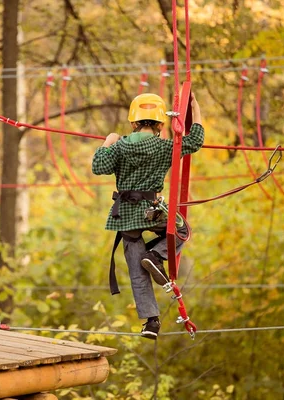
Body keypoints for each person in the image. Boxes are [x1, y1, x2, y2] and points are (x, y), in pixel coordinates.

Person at [91, 92, 204, 339]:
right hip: (152, 209)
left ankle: (151, 322)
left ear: (133, 123)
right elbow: (195, 141)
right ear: (160, 125)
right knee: (181, 230)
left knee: (135, 267)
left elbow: (98, 167)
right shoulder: (166, 146)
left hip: (126, 214)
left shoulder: (120, 146)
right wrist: (194, 109)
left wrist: (107, 142)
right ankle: (156, 255)